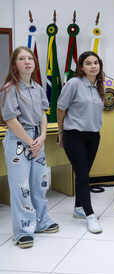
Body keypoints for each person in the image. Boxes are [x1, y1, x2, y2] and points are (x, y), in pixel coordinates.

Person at [0, 46, 59, 248]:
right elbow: (11, 120)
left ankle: (41, 222)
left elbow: (43, 115)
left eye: (30, 58)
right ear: (15, 65)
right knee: (21, 187)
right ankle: (24, 231)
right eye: (22, 59)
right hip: (19, 139)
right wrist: (30, 141)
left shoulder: (38, 88)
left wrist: (42, 137)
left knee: (39, 183)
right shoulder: (9, 89)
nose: (27, 61)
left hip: (37, 139)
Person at [57, 51, 104, 234]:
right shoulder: (74, 83)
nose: (93, 66)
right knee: (84, 176)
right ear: (81, 67)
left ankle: (78, 209)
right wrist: (61, 132)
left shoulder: (101, 86)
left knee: (83, 173)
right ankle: (90, 216)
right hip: (74, 134)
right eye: (88, 63)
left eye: (96, 62)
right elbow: (61, 109)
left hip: (93, 136)